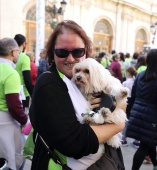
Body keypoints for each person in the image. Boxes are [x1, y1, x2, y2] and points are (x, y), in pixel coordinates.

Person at [29, 20, 125, 170]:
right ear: (52, 52)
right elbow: (75, 143)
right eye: (62, 52)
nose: (70, 59)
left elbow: (113, 91)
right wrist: (118, 123)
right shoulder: (49, 83)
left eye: (77, 52)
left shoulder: (85, 78)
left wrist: (108, 100)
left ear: (86, 51)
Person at [126, 49, 157, 170]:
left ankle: (156, 164)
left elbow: (133, 95)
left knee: (149, 141)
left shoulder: (140, 75)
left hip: (139, 114)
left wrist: (130, 113)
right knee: (144, 145)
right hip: (153, 118)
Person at [0, 38, 28, 170]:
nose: (18, 54)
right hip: (7, 123)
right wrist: (24, 120)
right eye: (18, 51)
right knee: (12, 160)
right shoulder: (11, 73)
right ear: (12, 52)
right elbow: (14, 105)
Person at [14, 34, 33, 111]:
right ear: (23, 43)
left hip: (10, 92)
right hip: (23, 94)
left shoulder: (10, 55)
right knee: (24, 117)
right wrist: (33, 94)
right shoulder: (24, 58)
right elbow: (27, 79)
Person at [121, 66, 137, 146]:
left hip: (126, 102)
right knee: (135, 121)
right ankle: (137, 141)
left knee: (125, 120)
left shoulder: (125, 83)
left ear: (127, 73)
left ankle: (124, 139)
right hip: (134, 101)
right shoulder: (135, 81)